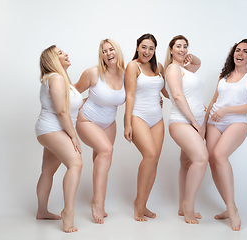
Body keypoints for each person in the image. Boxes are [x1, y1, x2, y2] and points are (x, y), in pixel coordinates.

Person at [205, 38, 247, 231]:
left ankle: (232, 210)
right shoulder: (225, 75)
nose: (239, 54)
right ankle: (229, 205)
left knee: (220, 155)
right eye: (237, 50)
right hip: (213, 122)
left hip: (236, 122)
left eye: (245, 51)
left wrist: (227, 110)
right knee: (212, 161)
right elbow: (214, 101)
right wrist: (201, 126)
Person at [74, 39, 125, 224]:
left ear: (117, 51)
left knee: (101, 160)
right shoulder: (93, 73)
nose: (108, 53)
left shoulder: (126, 75)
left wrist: (156, 100)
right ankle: (97, 202)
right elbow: (72, 92)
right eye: (104, 51)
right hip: (87, 119)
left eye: (111, 49)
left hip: (109, 123)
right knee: (107, 150)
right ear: (101, 55)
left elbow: (136, 95)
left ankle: (98, 200)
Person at [35, 45, 83, 233]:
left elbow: (69, 107)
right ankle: (68, 212)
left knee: (47, 171)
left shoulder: (62, 79)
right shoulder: (56, 78)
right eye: (61, 53)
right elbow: (62, 111)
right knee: (76, 163)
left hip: (51, 130)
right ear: (53, 60)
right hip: (52, 129)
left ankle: (42, 211)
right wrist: (74, 137)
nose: (66, 54)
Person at [124, 33, 169, 221]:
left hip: (157, 118)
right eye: (144, 47)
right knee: (149, 155)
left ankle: (143, 204)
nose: (147, 51)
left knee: (155, 160)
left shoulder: (158, 67)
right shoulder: (133, 66)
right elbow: (130, 96)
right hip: (138, 116)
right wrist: (127, 123)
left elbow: (166, 92)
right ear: (137, 47)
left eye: (151, 48)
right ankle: (138, 205)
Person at [164, 35, 208, 224]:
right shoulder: (173, 68)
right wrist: (195, 123)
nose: (182, 49)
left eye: (185, 46)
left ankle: (183, 205)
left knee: (187, 163)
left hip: (193, 121)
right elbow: (177, 95)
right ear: (171, 49)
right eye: (178, 46)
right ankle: (189, 206)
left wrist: (189, 55)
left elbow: (198, 63)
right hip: (182, 122)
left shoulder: (185, 69)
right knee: (201, 158)